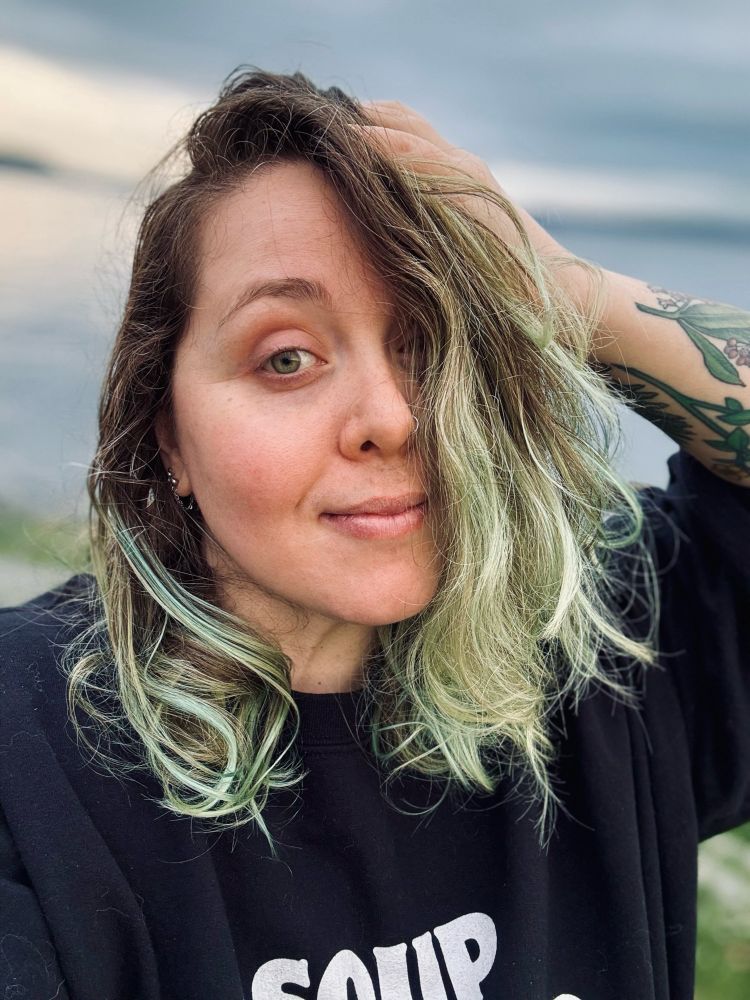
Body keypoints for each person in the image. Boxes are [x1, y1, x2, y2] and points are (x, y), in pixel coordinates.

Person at [1, 67, 749, 1000]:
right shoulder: (25, 749)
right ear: (168, 438)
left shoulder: (609, 651)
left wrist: (569, 294)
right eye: (286, 358)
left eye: (428, 344)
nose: (393, 418)